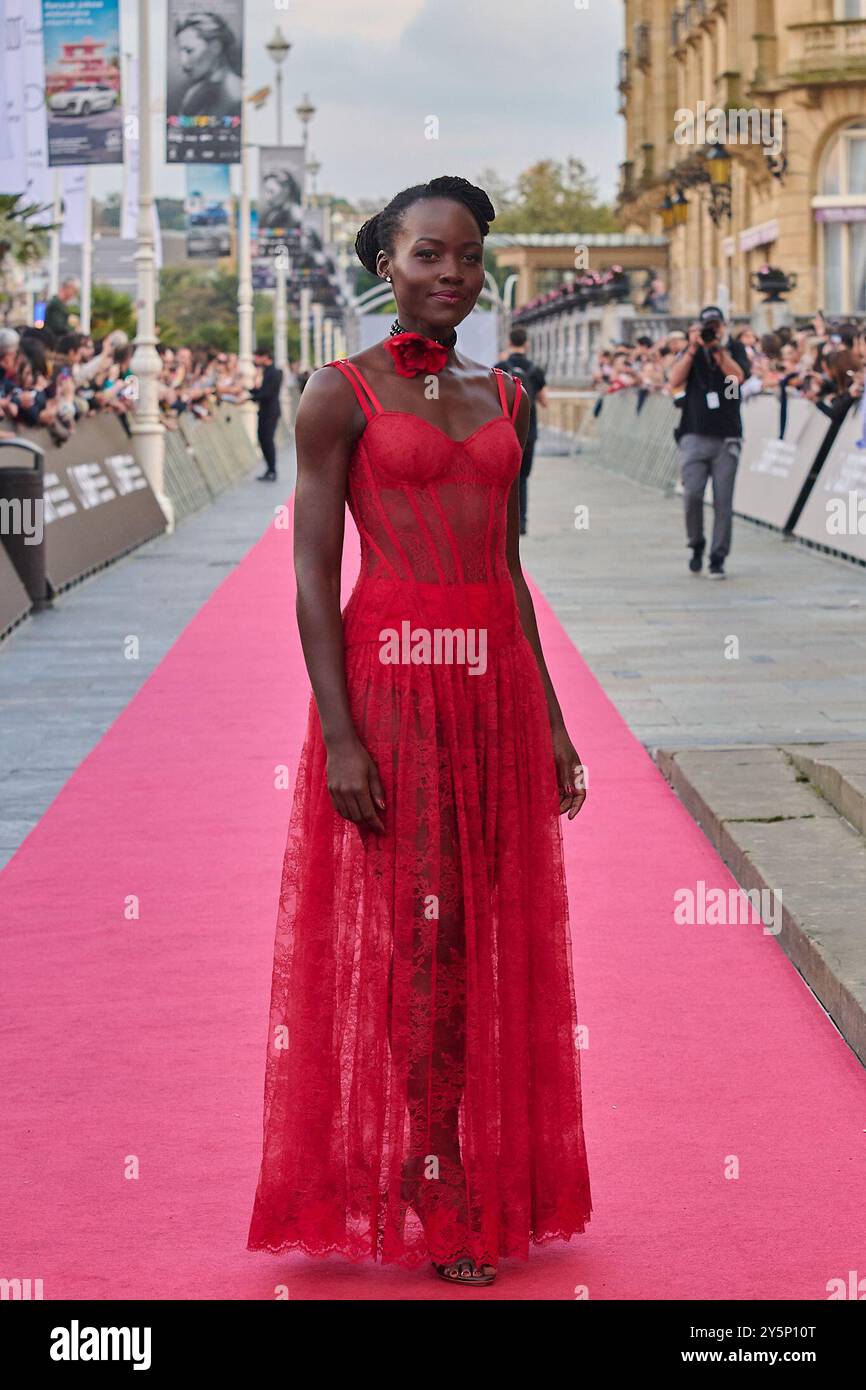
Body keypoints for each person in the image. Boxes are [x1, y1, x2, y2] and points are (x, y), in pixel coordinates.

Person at [245, 174, 592, 1287]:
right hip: (390, 688)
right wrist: (340, 735)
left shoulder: (505, 394)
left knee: (489, 928)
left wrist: (549, 718)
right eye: (429, 255)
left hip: (492, 684)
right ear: (383, 265)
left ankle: (465, 1155)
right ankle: (434, 1168)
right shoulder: (337, 393)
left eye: (468, 257)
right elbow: (309, 572)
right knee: (423, 935)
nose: (452, 275)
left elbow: (509, 567)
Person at [667, 304, 749, 578]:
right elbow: (674, 380)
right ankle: (696, 543)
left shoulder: (733, 349)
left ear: (723, 326)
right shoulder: (691, 351)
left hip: (727, 436)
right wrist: (693, 349)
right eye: (707, 327)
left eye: (716, 326)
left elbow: (736, 378)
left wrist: (717, 350)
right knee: (692, 495)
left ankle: (718, 557)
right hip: (693, 434)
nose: (712, 331)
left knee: (723, 502)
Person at [494, 326, 547, 533]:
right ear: (526, 343)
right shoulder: (535, 370)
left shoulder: (499, 367)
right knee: (522, 478)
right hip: (528, 431)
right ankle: (521, 522)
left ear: (509, 342)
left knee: (503, 478)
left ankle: (503, 521)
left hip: (503, 430)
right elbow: (545, 401)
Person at [250, 346, 282, 480]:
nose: (255, 360)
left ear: (264, 356)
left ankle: (272, 470)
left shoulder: (275, 372)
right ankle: (270, 469)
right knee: (263, 440)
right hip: (265, 411)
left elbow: (268, 393)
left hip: (270, 411)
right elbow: (263, 391)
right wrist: (251, 392)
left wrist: (251, 397)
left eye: (257, 357)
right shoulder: (267, 371)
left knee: (267, 440)